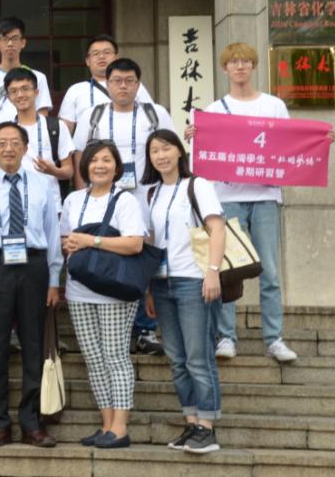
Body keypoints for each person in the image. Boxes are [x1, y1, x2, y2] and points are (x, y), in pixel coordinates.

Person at [186, 42, 302, 362]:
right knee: (228, 270)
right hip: (227, 198)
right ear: (225, 68)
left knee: (270, 272)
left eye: (246, 61)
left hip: (265, 196)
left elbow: (293, 143)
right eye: (234, 62)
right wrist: (194, 138)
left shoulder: (274, 105)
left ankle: (274, 338)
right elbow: (201, 158)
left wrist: (318, 140)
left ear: (254, 66)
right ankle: (226, 336)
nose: (240, 67)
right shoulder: (213, 110)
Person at [0, 122, 61, 448]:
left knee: (34, 345)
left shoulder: (43, 184)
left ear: (25, 147)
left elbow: (52, 235)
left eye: (15, 142)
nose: (8, 148)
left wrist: (54, 279)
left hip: (34, 266)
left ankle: (32, 423)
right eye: (1, 143)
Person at [71, 57, 174, 356]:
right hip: (103, 198)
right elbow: (80, 156)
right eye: (117, 81)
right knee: (109, 255)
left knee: (142, 258)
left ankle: (145, 328)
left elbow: (171, 148)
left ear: (139, 84)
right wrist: (83, 193)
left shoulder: (155, 113)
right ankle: (119, 328)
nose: (123, 86)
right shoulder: (93, 115)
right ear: (107, 83)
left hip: (147, 197)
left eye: (130, 81)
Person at [141, 130, 225, 454]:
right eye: (154, 151)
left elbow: (217, 228)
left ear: (179, 151)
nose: (161, 156)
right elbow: (152, 241)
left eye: (166, 148)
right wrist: (149, 289)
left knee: (198, 357)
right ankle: (191, 423)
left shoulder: (197, 185)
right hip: (162, 284)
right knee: (177, 359)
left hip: (194, 280)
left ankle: (207, 428)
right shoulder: (152, 193)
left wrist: (212, 272)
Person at [59, 141, 146, 449]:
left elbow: (135, 243)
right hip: (79, 290)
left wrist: (91, 241)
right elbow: (65, 239)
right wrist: (71, 244)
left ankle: (120, 428)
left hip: (114, 291)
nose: (99, 165)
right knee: (94, 359)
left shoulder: (125, 200)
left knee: (115, 357)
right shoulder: (73, 199)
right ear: (85, 166)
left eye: (107, 160)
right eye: (94, 160)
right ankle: (106, 424)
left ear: (116, 167)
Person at [0, 68, 73, 208]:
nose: (20, 95)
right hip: (12, 203)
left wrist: (53, 171)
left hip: (49, 203)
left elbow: (69, 171)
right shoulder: (4, 131)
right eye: (14, 91)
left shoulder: (56, 126)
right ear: (9, 97)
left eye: (25, 89)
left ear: (36, 92)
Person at [57, 34, 153, 131]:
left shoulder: (133, 85)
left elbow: (151, 117)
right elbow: (65, 130)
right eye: (95, 53)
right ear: (87, 61)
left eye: (107, 52)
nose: (101, 56)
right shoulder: (75, 90)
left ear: (116, 57)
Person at [0, 18, 51, 126]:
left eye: (15, 38)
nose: (10, 43)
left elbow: (42, 116)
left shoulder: (38, 77)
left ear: (23, 42)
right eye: (5, 39)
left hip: (27, 134)